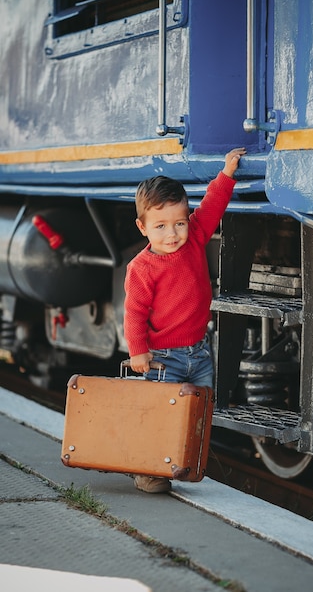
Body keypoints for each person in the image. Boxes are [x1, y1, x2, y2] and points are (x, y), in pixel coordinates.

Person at [124, 147, 246, 493]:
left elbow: (211, 208)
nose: (172, 233)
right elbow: (134, 313)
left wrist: (226, 175)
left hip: (199, 351)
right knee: (163, 414)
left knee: (199, 412)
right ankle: (149, 470)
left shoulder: (193, 238)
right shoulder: (141, 269)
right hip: (164, 357)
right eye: (160, 226)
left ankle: (185, 464)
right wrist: (138, 351)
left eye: (179, 222)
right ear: (142, 227)